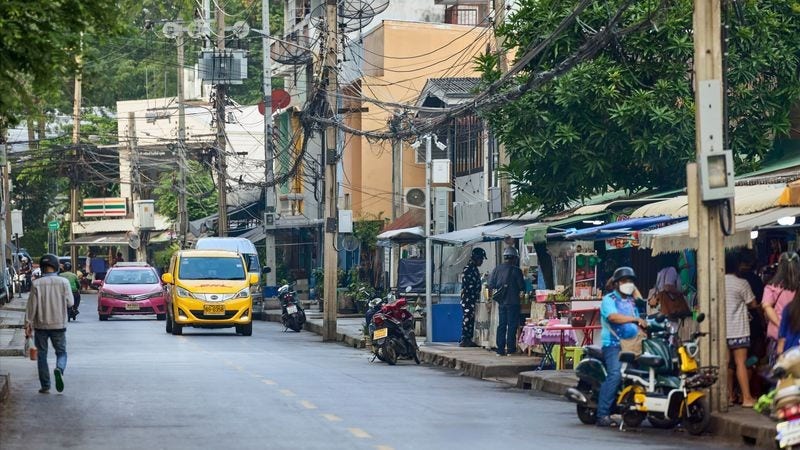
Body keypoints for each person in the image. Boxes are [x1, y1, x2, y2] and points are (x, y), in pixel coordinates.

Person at [596, 266, 647, 427]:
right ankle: (602, 414)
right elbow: (613, 317)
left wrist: (635, 290)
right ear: (617, 283)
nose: (628, 284)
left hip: (633, 344)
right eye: (625, 281)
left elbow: (642, 304)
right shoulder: (609, 299)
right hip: (613, 345)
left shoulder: (631, 301)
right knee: (615, 374)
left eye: (631, 281)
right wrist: (633, 320)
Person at [24, 254, 73, 393]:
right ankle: (59, 369)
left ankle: (45, 385)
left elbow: (31, 307)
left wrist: (27, 324)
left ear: (42, 267)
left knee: (42, 356)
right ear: (56, 266)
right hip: (59, 325)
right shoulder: (64, 282)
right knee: (61, 353)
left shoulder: (36, 284)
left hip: (41, 326)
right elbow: (71, 302)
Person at [725, 251, 758, 407]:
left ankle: (728, 396)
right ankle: (746, 398)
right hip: (738, 329)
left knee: (726, 364)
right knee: (740, 363)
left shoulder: (716, 282)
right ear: (737, 266)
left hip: (722, 330)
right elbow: (753, 303)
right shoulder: (742, 283)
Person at [763, 252, 800, 365]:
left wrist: (780, 324)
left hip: (777, 336)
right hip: (797, 337)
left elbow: (766, 306)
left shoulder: (772, 287)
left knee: (779, 369)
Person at [488, 247, 526, 356]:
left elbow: (491, 285)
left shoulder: (497, 269)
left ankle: (500, 349)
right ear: (514, 258)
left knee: (502, 325)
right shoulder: (517, 270)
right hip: (513, 302)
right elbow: (522, 286)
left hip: (502, 302)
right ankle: (510, 349)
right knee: (512, 325)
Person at [460, 247, 487, 347]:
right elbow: (468, 286)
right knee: (467, 318)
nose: (482, 261)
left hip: (472, 299)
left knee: (471, 319)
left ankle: (468, 338)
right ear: (476, 258)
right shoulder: (468, 269)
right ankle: (465, 339)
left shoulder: (474, 269)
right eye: (481, 259)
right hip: (468, 299)